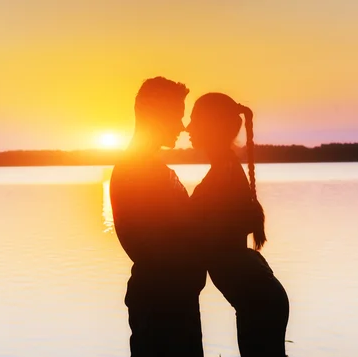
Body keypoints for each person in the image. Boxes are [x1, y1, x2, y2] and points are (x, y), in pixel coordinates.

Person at [187, 92, 289, 357]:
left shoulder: (223, 175)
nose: (188, 127)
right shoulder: (226, 169)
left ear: (213, 128)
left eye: (195, 121)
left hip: (260, 303)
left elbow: (202, 235)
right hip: (259, 299)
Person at [110, 77, 206, 357]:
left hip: (173, 300)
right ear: (156, 116)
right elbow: (154, 244)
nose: (182, 125)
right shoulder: (137, 171)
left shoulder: (150, 168)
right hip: (162, 306)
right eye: (176, 116)